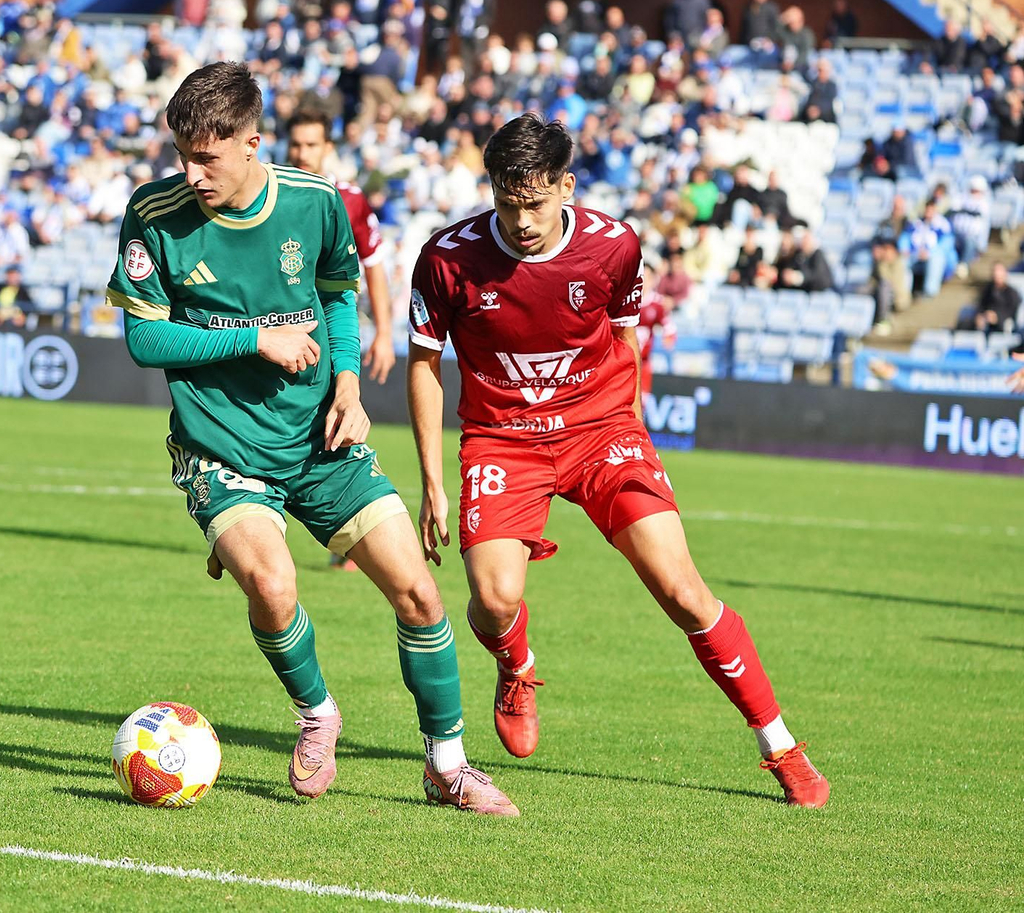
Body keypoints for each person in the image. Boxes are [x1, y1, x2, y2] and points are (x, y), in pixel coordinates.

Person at [106, 61, 516, 814]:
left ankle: (448, 768)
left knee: (420, 593)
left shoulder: (316, 202)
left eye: (207, 158)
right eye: (183, 156)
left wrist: (349, 385)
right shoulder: (154, 213)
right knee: (272, 584)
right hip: (222, 446)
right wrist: (254, 338)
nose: (191, 174)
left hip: (319, 436)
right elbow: (143, 339)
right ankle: (317, 713)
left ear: (252, 143)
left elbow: (336, 300)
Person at [407, 113, 829, 808]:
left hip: (600, 430)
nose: (522, 221)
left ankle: (780, 745)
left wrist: (629, 431)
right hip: (504, 439)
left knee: (682, 589)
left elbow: (625, 339)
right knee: (494, 596)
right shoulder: (447, 257)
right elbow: (424, 364)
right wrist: (431, 481)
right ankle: (516, 664)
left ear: (566, 186)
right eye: (508, 204)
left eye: (536, 202)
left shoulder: (614, 246)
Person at [286, 108, 397, 573]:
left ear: (328, 148)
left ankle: (354, 532)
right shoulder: (271, 193)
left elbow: (373, 268)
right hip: (279, 331)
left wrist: (384, 333)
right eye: (296, 144)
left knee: (341, 418)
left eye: (311, 144)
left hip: (332, 333)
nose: (302, 152)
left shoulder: (348, 200)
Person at [973, 263, 1020, 334]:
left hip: (1002, 325)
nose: (997, 275)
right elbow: (981, 305)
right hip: (986, 323)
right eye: (995, 272)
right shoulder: (988, 290)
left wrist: (997, 317)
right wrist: (980, 316)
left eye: (999, 273)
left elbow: (1012, 311)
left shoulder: (1012, 293)